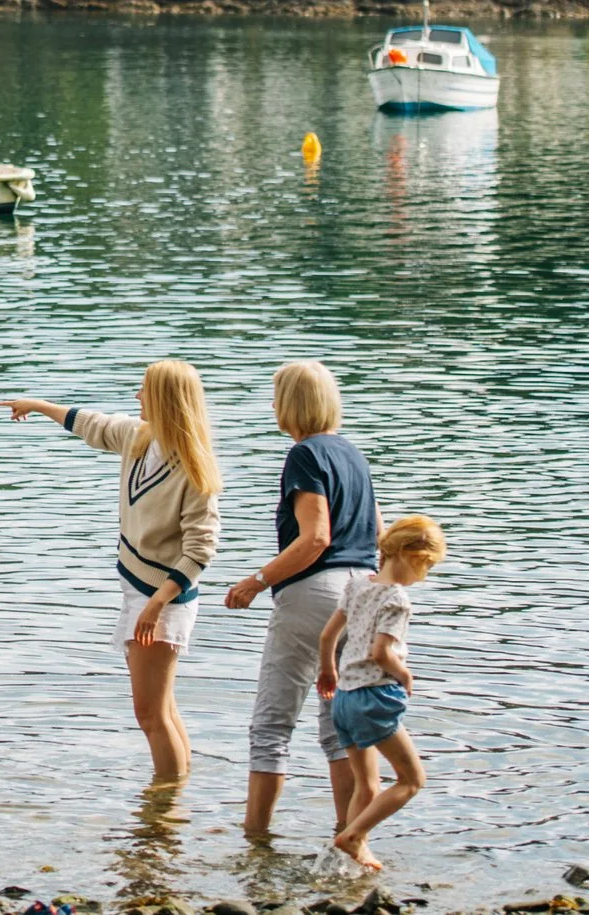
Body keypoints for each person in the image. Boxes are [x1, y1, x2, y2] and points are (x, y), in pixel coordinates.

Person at [2, 361, 223, 783]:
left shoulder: (195, 471)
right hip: (139, 592)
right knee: (162, 709)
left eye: (144, 389)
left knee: (150, 714)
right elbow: (91, 424)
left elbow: (200, 551)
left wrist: (157, 605)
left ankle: (164, 811)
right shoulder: (140, 439)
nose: (137, 396)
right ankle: (174, 800)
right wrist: (37, 404)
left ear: (164, 399)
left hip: (165, 599)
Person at [222, 359, 380, 838]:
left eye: (276, 398)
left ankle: (255, 837)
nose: (272, 407)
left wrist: (256, 580)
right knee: (340, 727)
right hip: (366, 591)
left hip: (317, 592)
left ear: (291, 405)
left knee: (272, 723)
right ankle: (347, 834)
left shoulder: (305, 455)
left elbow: (315, 538)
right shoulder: (354, 455)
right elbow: (377, 531)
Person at [318, 515, 447, 872]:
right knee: (411, 780)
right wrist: (405, 674)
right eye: (426, 567)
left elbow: (328, 636)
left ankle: (350, 858)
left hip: (343, 698)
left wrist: (328, 669)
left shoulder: (357, 584)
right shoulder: (397, 598)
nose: (424, 576)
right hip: (374, 698)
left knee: (368, 785)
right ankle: (353, 837)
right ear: (410, 555)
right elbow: (381, 653)